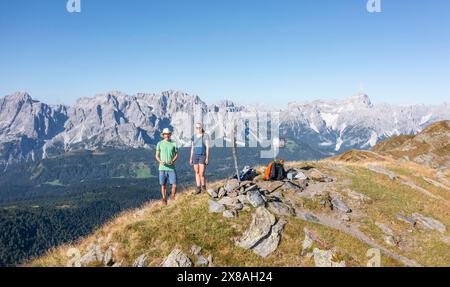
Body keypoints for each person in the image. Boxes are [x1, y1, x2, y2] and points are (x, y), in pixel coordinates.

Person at [155, 128, 178, 205]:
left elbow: (177, 154)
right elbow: (157, 156)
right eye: (165, 134)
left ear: (169, 135)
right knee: (163, 184)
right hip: (162, 168)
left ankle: (172, 197)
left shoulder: (174, 143)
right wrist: (160, 161)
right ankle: (164, 199)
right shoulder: (159, 143)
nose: (167, 135)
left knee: (174, 184)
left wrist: (173, 161)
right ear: (163, 135)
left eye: (168, 134)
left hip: (171, 167)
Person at [190, 123, 210, 194]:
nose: (198, 129)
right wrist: (191, 158)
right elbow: (192, 148)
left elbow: (207, 147)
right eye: (197, 128)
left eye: (199, 127)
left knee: (201, 173)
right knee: (197, 172)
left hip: (202, 155)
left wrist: (207, 158)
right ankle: (198, 188)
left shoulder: (205, 136)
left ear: (201, 128)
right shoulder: (193, 136)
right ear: (195, 128)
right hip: (195, 155)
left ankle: (203, 187)